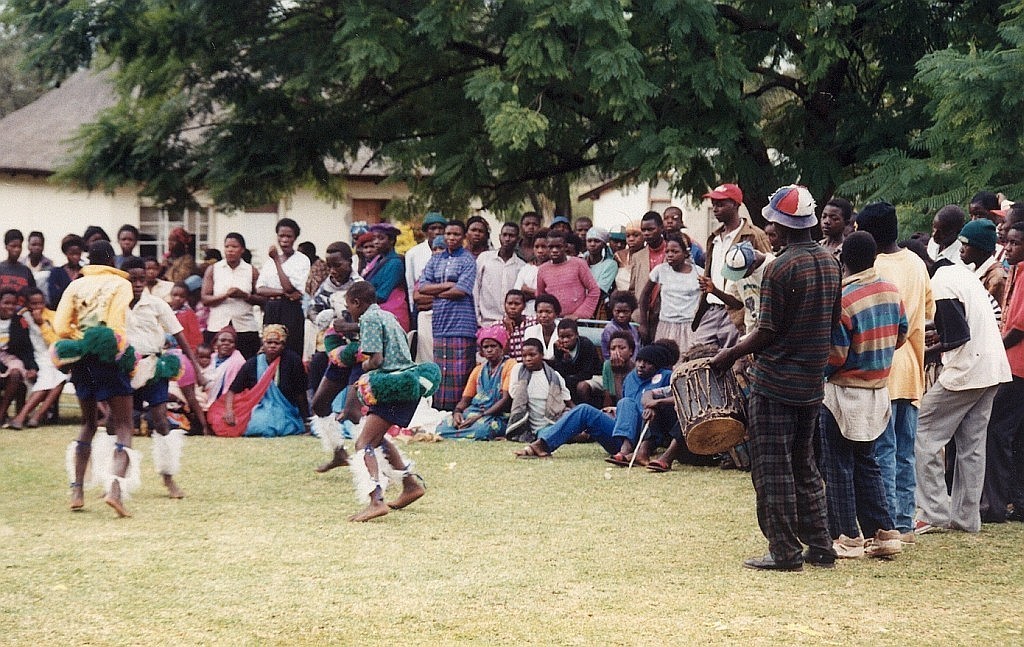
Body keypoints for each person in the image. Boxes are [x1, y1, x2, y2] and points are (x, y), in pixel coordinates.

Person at [710, 184, 842, 571]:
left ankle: (783, 551)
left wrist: (730, 353)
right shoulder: (830, 262)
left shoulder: (780, 267)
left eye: (772, 221)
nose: (768, 227)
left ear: (782, 224)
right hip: (810, 385)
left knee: (771, 469)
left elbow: (765, 332)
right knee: (804, 465)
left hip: (774, 383)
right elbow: (832, 322)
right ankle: (821, 546)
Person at [914, 218, 1011, 534]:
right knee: (971, 445)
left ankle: (932, 512)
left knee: (922, 431)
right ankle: (966, 519)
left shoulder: (941, 281)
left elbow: (956, 336)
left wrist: (919, 353)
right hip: (992, 368)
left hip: (967, 369)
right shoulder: (961, 274)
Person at [820, 232, 907, 559]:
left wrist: (820, 374)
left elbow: (837, 354)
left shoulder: (843, 297)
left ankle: (847, 536)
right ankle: (884, 533)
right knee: (867, 461)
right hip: (877, 390)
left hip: (844, 391)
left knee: (838, 464)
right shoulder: (890, 290)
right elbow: (901, 334)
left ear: (844, 259)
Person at [854, 202, 935, 543]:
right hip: (912, 369)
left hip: (882, 370)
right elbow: (928, 313)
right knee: (904, 452)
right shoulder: (917, 263)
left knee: (882, 452)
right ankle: (904, 522)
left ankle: (886, 525)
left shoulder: (874, 267)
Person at [55, 240, 137, 517]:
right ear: (112, 260)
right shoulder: (121, 285)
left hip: (82, 360)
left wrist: (83, 341)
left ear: (89, 259)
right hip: (109, 358)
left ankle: (77, 490)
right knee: (125, 425)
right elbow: (115, 326)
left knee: (89, 423)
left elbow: (61, 326)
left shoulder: (75, 285)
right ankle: (114, 491)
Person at [342, 280, 429, 522]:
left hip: (392, 386)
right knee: (378, 438)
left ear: (357, 302)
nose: (349, 311)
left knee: (363, 444)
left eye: (349, 305)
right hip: (406, 382)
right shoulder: (387, 316)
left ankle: (376, 500)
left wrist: (363, 366)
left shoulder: (368, 319)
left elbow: (377, 360)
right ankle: (411, 485)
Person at [120, 258, 203, 498]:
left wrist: (196, 368)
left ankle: (169, 479)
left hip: (154, 366)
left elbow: (181, 336)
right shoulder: (114, 306)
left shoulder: (157, 304)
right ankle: (116, 479)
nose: (136, 284)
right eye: (131, 279)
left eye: (141, 279)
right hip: (124, 369)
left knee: (161, 421)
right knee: (118, 424)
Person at [515, 341, 675, 463]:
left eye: (647, 362)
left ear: (658, 365)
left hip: (649, 437)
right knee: (584, 410)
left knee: (627, 403)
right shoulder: (632, 377)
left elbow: (672, 409)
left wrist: (656, 407)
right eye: (639, 360)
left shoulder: (667, 376)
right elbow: (625, 404)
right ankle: (542, 445)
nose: (641, 365)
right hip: (623, 434)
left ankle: (632, 451)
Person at [693, 183, 772, 350]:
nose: (715, 208)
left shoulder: (753, 235)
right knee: (698, 357)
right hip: (711, 307)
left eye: (721, 204)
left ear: (736, 204)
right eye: (713, 204)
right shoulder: (713, 238)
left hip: (738, 312)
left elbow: (767, 271)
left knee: (734, 364)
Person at [982, 221, 1024, 523]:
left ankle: (997, 505)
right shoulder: (1015, 272)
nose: (1007, 248)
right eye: (1007, 242)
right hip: (1012, 363)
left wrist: (994, 345)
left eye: (1015, 243)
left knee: (998, 433)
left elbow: (1018, 327)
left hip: (1016, 366)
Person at [418, 220, 477, 411]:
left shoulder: (468, 259)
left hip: (462, 322)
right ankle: (440, 411)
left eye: (456, 234)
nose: (451, 238)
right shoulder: (435, 259)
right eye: (448, 234)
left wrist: (434, 293)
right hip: (440, 322)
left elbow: (462, 290)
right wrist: (447, 286)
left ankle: (458, 412)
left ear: (464, 237)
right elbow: (422, 287)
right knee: (441, 371)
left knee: (460, 372)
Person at [214, 324, 308, 437]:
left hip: (286, 409)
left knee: (267, 426)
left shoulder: (293, 360)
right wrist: (229, 411)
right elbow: (232, 390)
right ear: (263, 344)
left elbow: (300, 393)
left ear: (283, 345)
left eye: (277, 343)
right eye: (269, 342)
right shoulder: (253, 363)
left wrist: (305, 418)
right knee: (224, 420)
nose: (273, 346)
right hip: (259, 406)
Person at [437, 324, 517, 440]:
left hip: (496, 415)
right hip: (475, 412)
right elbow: (465, 400)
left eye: (493, 346)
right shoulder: (478, 370)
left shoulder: (510, 365)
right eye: (485, 347)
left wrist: (480, 416)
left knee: (482, 430)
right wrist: (457, 412)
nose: (489, 350)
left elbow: (505, 399)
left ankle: (464, 434)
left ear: (502, 347)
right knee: (442, 427)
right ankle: (464, 433)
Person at [6, 288, 64, 429]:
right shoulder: (21, 318)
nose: (38, 307)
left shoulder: (52, 316)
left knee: (61, 377)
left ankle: (31, 416)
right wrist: (31, 365)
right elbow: (21, 345)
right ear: (26, 304)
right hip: (33, 358)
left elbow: (56, 342)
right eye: (33, 304)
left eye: (40, 303)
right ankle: (27, 417)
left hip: (52, 355)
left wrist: (42, 324)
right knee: (54, 378)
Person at [256, 218, 310, 356]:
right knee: (269, 348)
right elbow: (260, 289)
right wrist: (282, 292)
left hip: (290, 309)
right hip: (271, 307)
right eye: (281, 236)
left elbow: (290, 288)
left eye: (288, 236)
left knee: (290, 349)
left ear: (295, 238)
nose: (284, 240)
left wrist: (276, 261)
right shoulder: (269, 262)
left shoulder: (301, 260)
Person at [639, 233, 702, 350]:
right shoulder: (660, 270)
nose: (670, 255)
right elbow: (644, 295)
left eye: (675, 251)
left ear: (685, 253)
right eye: (667, 251)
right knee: (664, 360)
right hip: (666, 325)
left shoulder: (699, 273)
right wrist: (643, 323)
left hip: (689, 327)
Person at [505, 338, 571, 444]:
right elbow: (514, 395)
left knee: (571, 425)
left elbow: (567, 400)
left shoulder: (554, 376)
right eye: (524, 356)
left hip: (555, 420)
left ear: (542, 355)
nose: (528, 359)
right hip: (537, 427)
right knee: (546, 436)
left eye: (532, 355)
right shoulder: (518, 371)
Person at [707, 241, 776, 337]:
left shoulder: (773, 267)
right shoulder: (738, 267)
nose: (739, 277)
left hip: (771, 332)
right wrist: (715, 291)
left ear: (753, 264)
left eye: (742, 273)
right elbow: (738, 304)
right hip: (751, 332)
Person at [537, 230, 600, 320]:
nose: (554, 250)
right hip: (553, 321)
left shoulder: (579, 264)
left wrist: (578, 314)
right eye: (551, 247)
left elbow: (594, 290)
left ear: (565, 247)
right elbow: (541, 296)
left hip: (578, 321)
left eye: (558, 247)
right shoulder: (543, 269)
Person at [361, 223, 410, 332]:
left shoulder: (395, 263)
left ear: (392, 241)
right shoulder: (377, 262)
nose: (376, 242)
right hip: (378, 312)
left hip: (391, 314)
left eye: (381, 238)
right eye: (374, 238)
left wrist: (359, 300)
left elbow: (383, 294)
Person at [475, 222, 525, 326]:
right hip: (486, 322)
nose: (507, 239)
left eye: (511, 236)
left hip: (512, 323)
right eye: (505, 235)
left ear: (518, 239)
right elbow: (475, 289)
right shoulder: (484, 258)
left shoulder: (522, 266)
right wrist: (477, 318)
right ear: (499, 237)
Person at [0, 288, 36, 426]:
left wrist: (32, 367)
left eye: (13, 304)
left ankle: (1, 413)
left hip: (11, 359)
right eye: (6, 303)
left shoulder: (19, 321)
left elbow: (27, 347)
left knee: (15, 374)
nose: (10, 307)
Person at [547, 318, 602, 404]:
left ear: (576, 335)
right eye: (561, 337)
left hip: (594, 375)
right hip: (572, 377)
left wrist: (568, 379)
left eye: (569, 336)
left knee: (581, 386)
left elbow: (588, 372)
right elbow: (559, 371)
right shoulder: (558, 346)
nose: (565, 340)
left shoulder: (586, 344)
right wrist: (565, 360)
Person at [577, 330, 636, 409]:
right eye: (613, 348)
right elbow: (607, 400)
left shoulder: (635, 369)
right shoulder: (607, 365)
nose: (617, 352)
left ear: (631, 351)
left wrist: (618, 373)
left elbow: (624, 401)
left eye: (622, 348)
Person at [959, 219, 1006, 312]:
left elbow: (994, 315)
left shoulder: (996, 278)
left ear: (981, 249)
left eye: (966, 245)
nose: (961, 249)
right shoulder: (973, 270)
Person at [513, 228, 549, 315]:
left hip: (546, 315)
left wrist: (528, 291)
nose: (540, 251)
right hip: (526, 314)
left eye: (544, 247)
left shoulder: (554, 269)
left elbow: (551, 296)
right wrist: (537, 293)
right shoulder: (526, 269)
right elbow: (517, 294)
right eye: (537, 247)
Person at [583, 227, 618, 312]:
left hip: (596, 306)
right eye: (589, 241)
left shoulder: (610, 264)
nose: (592, 244)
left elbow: (599, 291)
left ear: (604, 244)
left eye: (597, 241)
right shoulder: (580, 262)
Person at [47, 234, 84, 309]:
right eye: (71, 254)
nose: (75, 257)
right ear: (65, 253)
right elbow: (53, 298)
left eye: (77, 254)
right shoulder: (56, 272)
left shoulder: (84, 272)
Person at [601, 291, 640, 359]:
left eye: (626, 312)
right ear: (612, 311)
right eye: (617, 311)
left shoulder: (633, 329)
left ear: (631, 311)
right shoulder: (610, 329)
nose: (621, 315)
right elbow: (615, 354)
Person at [523, 294, 561, 360]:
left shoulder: (563, 329)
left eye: (548, 312)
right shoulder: (530, 331)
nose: (543, 315)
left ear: (556, 313)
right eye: (540, 312)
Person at [501, 289, 535, 362]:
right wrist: (508, 332)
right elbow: (500, 356)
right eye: (510, 303)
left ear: (524, 306)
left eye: (517, 304)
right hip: (508, 367)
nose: (513, 307)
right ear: (504, 305)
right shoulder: (497, 327)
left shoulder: (533, 322)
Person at [0, 230, 35, 297]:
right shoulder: (1, 268)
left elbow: (32, 295)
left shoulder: (26, 271)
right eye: (13, 246)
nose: (17, 250)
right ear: (6, 247)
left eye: (19, 246)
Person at [614, 221, 644, 293]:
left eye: (636, 235)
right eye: (628, 236)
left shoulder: (648, 256)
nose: (631, 239)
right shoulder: (619, 256)